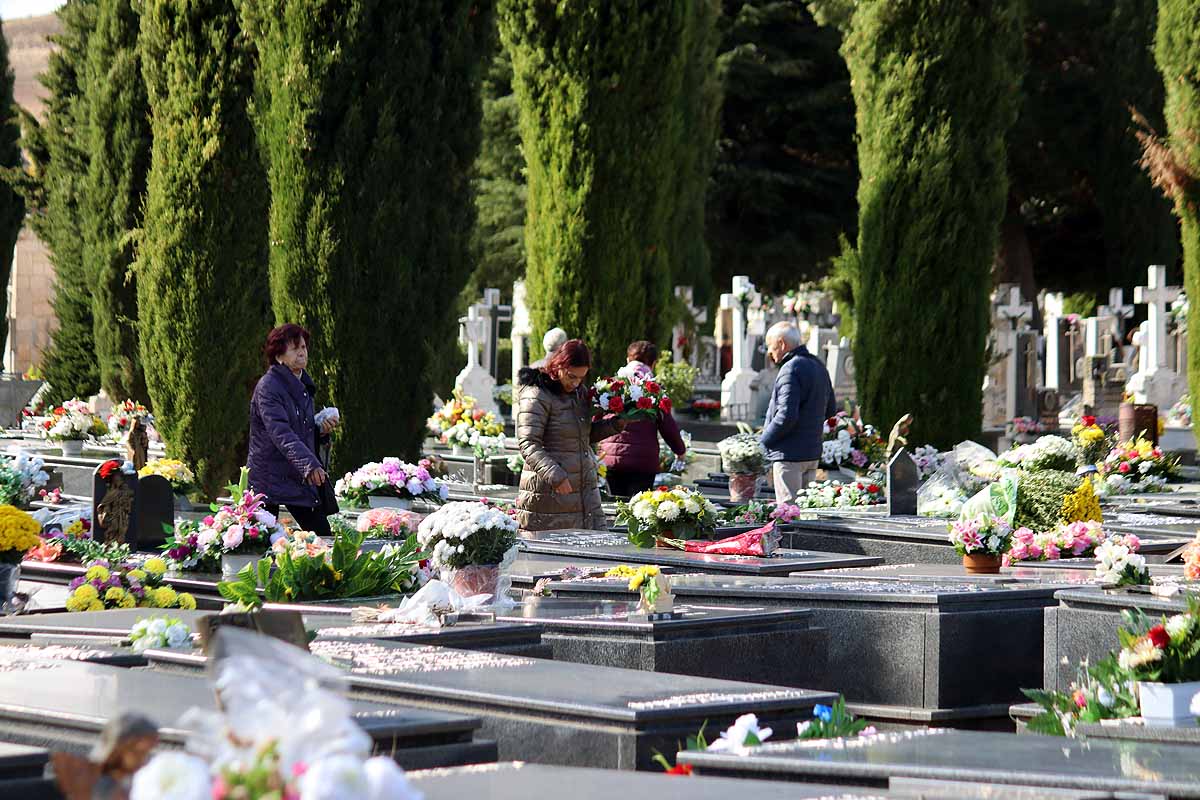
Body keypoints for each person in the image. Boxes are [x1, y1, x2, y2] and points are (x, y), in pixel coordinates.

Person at [515, 339, 625, 532]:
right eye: (571, 376)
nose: (575, 383)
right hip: (549, 493)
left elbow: (582, 435)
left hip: (584, 491)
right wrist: (555, 476)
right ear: (558, 366)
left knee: (592, 552)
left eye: (581, 378)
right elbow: (528, 443)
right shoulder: (538, 393)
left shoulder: (578, 393)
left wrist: (616, 424)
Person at [247, 324, 339, 536]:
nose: (302, 352)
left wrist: (320, 431)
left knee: (323, 537)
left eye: (304, 347)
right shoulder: (269, 386)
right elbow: (281, 433)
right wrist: (310, 465)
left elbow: (301, 430)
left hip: (297, 476)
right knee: (260, 544)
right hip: (269, 478)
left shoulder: (304, 385)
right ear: (278, 356)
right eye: (295, 348)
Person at [598, 340, 687, 497]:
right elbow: (668, 426)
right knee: (638, 510)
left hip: (611, 458)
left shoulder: (611, 386)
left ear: (628, 360)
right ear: (653, 364)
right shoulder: (654, 391)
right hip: (643, 461)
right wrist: (680, 451)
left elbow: (597, 418)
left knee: (615, 508)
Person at [760, 321, 836, 503]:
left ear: (782, 343)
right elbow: (831, 409)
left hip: (789, 455)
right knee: (805, 512)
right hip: (811, 453)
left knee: (789, 514)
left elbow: (786, 416)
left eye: (771, 346)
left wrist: (763, 442)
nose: (770, 352)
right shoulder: (818, 365)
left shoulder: (790, 369)